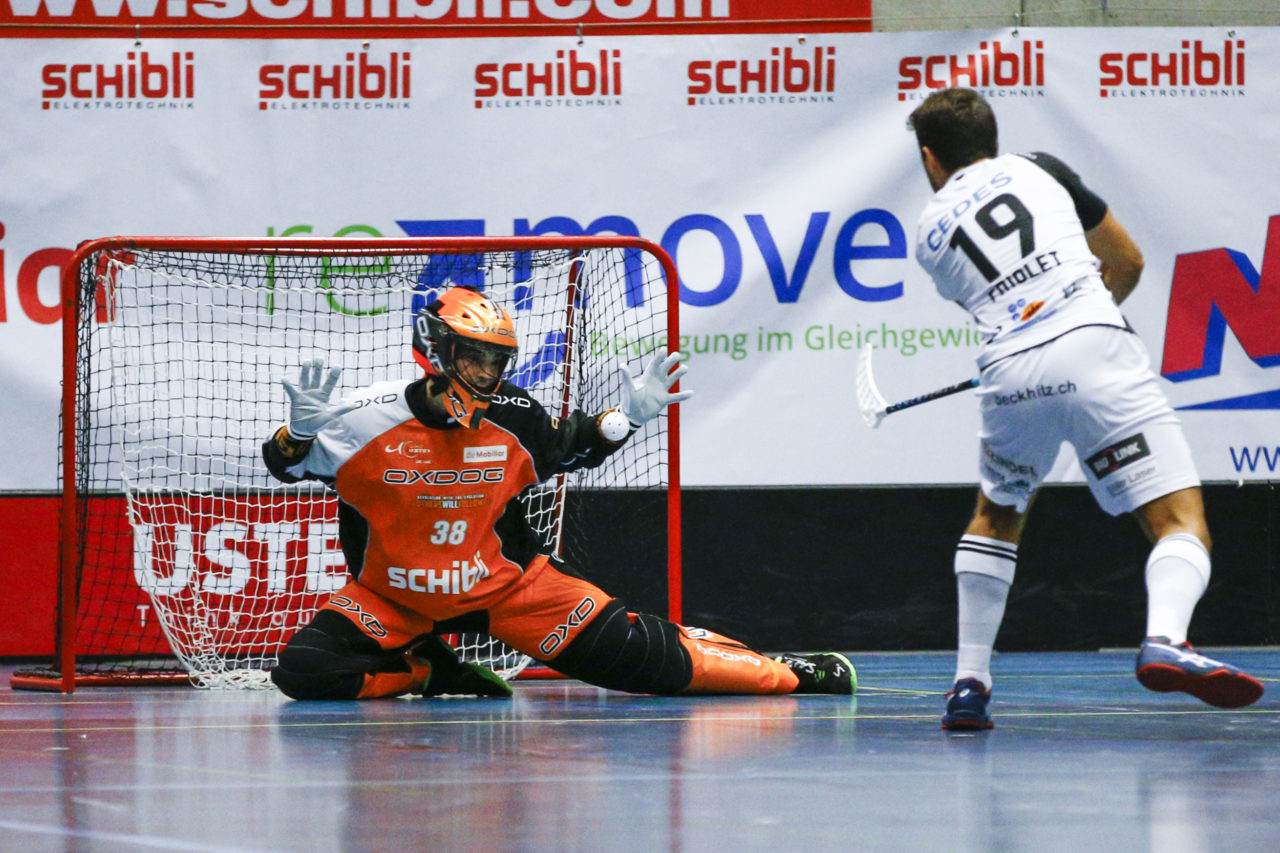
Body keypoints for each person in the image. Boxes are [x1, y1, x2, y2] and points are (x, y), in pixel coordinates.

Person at [263, 285, 854, 700]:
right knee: (304, 673)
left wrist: (628, 417)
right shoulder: (360, 418)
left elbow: (570, 445)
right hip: (394, 599)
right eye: (473, 357)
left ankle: (787, 670)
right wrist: (299, 434)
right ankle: (430, 672)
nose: (486, 374)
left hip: (513, 590)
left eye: (497, 361)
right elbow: (283, 466)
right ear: (435, 349)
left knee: (648, 664)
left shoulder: (512, 414)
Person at [907, 87, 1263, 730]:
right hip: (1093, 346)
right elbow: (1126, 261)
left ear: (931, 158)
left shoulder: (927, 234)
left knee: (996, 514)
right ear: (991, 138)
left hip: (1008, 370)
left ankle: (968, 685)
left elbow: (995, 302)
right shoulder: (1041, 168)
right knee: (1179, 520)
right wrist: (1082, 321)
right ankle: (1165, 638)